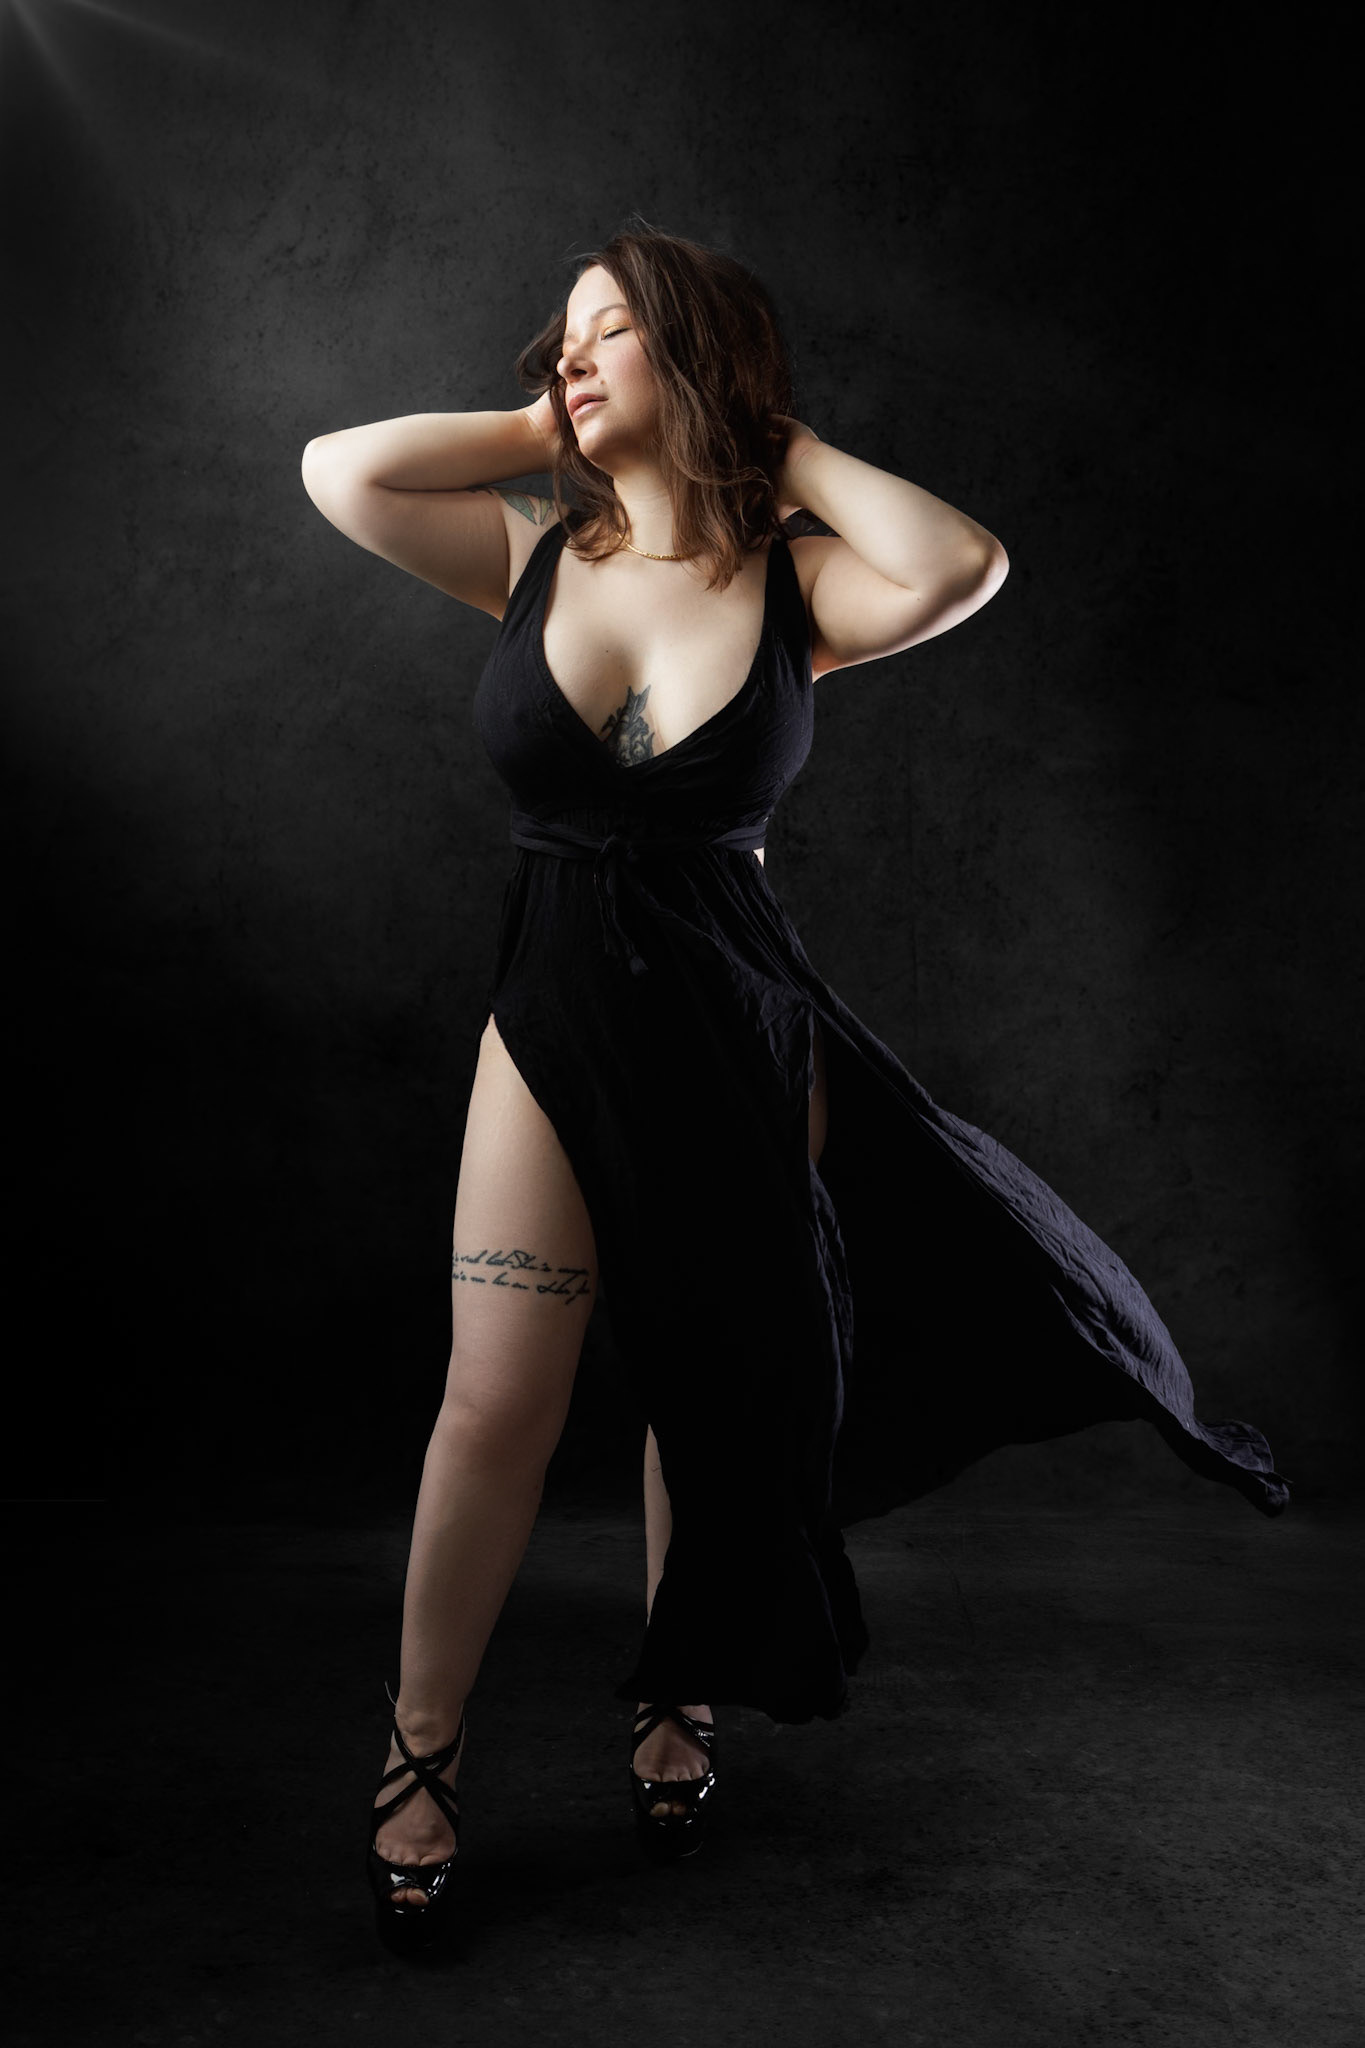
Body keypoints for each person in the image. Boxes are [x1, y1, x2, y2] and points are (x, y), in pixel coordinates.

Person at [301, 220, 1288, 1953]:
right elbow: (340, 470)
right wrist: (540, 426)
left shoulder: (794, 581)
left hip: (735, 1021)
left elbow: (960, 562)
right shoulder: (526, 545)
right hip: (550, 1011)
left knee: (709, 1383)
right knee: (493, 1403)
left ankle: (675, 1693)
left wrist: (772, 444)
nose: (571, 354)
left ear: (701, 355)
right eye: (563, 333)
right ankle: (420, 1748)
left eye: (613, 331)